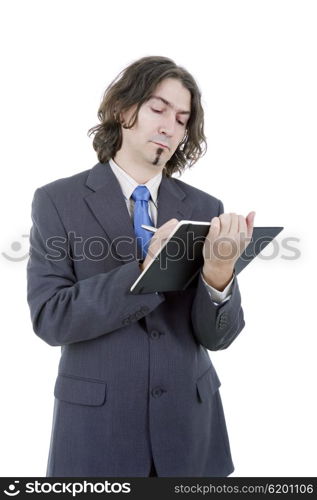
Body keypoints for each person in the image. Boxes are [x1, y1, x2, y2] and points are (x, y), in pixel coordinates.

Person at [26, 55, 255, 477]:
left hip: (190, 435)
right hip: (98, 434)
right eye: (158, 108)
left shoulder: (205, 208)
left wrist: (219, 275)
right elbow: (50, 318)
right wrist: (147, 266)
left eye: (183, 118)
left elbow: (218, 338)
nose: (170, 126)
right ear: (123, 109)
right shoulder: (57, 201)